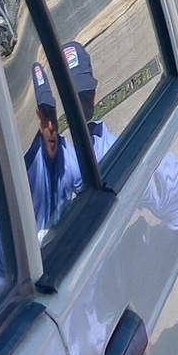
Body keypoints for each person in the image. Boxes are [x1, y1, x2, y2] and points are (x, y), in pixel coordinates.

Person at [24, 38, 119, 230]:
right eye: (74, 98)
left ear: (94, 92)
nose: (80, 105)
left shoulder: (106, 144)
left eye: (84, 95)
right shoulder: (61, 155)